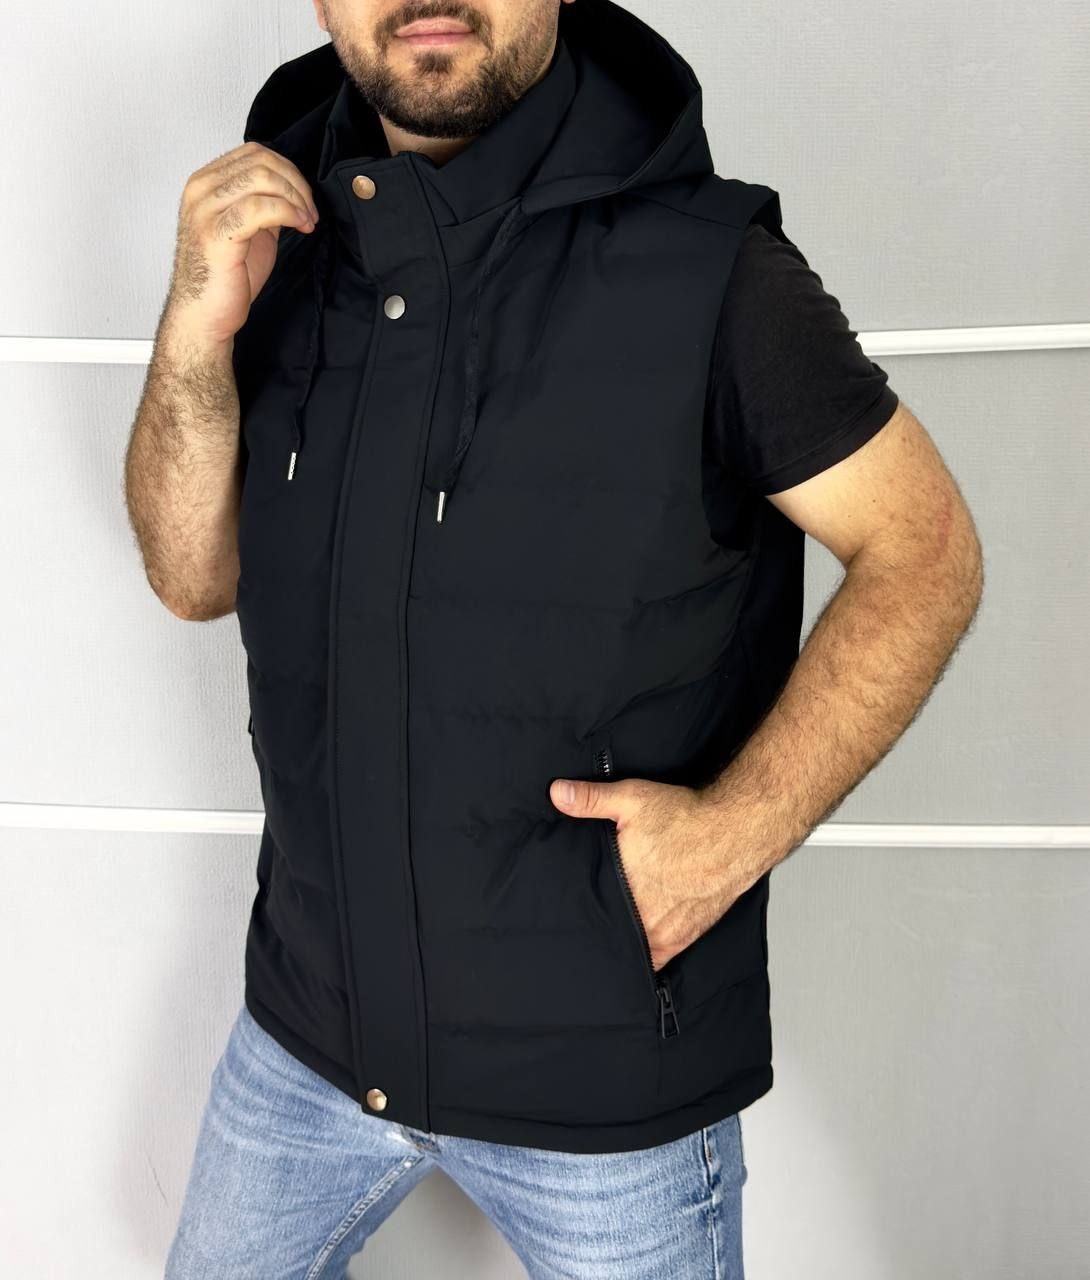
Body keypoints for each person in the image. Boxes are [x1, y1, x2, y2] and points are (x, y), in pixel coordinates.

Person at [123, 1, 983, 1275]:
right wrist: (195, 330)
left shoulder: (710, 273)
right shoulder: (277, 242)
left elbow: (925, 551)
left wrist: (731, 837)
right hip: (306, 1035)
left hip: (600, 1085)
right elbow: (192, 577)